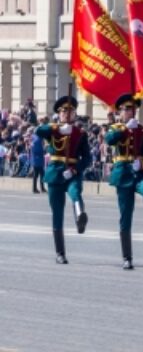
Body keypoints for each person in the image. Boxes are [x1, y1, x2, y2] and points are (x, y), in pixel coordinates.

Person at [103, 93, 143, 269]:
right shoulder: (116, 129)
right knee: (125, 215)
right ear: (120, 112)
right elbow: (109, 140)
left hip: (139, 171)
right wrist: (124, 129)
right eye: (126, 109)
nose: (129, 112)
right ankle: (127, 257)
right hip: (122, 172)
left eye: (132, 109)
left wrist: (142, 162)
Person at [35, 96, 91, 264]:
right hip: (54, 173)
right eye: (64, 111)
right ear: (59, 114)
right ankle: (60, 253)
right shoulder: (52, 130)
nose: (68, 114)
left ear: (75, 114)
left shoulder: (80, 133)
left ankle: (80, 216)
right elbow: (38, 131)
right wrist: (57, 129)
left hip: (71, 172)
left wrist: (74, 169)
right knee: (57, 213)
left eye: (71, 111)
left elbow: (87, 158)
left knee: (75, 192)